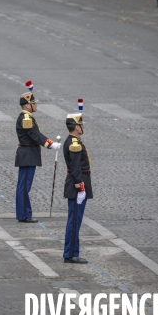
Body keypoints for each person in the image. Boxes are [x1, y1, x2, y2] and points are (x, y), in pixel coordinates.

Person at [14, 81, 61, 224]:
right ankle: (24, 215)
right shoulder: (26, 118)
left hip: (27, 154)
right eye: (34, 103)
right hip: (28, 155)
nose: (36, 105)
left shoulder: (27, 117)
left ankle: (24, 214)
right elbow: (34, 134)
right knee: (24, 186)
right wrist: (51, 144)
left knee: (24, 186)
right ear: (28, 105)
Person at [62, 108, 92, 264]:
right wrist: (81, 188)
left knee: (75, 221)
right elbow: (75, 169)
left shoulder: (73, 141)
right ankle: (71, 254)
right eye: (81, 125)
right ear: (76, 127)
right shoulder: (74, 144)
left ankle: (71, 252)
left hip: (76, 185)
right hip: (77, 187)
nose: (83, 127)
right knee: (74, 221)